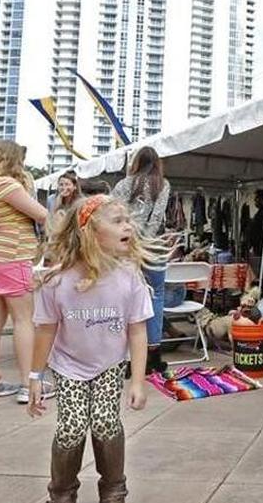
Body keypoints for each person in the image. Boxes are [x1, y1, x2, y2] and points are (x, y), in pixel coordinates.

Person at [28, 195, 151, 503]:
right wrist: (35, 376)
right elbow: (45, 330)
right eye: (118, 221)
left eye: (128, 220)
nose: (128, 226)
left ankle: (114, 493)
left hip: (110, 364)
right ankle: (61, 494)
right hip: (69, 365)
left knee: (106, 423)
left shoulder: (130, 275)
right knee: (71, 428)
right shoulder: (57, 280)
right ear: (90, 232)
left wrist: (138, 381)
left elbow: (137, 331)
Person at [0, 140, 52, 403]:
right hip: (12, 256)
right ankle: (30, 383)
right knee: (23, 320)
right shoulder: (8, 184)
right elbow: (42, 215)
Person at [110, 146, 171, 373]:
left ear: (136, 162)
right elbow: (156, 218)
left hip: (125, 246)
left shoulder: (123, 185)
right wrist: (146, 243)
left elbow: (114, 216)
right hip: (153, 247)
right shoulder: (162, 184)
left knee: (125, 300)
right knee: (156, 296)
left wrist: (131, 243)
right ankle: (153, 356)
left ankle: (127, 358)